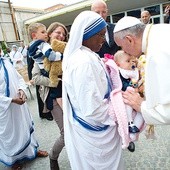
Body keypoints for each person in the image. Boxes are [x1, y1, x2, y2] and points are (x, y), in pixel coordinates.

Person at [62, 10, 124, 170]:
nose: (104, 40)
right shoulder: (83, 63)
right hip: (95, 131)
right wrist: (122, 113)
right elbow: (93, 109)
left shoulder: (88, 55)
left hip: (98, 128)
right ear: (85, 35)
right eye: (100, 35)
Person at [114, 16, 170, 125]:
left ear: (129, 40)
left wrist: (140, 105)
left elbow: (168, 112)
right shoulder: (160, 31)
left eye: (121, 47)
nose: (123, 51)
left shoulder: (158, 53)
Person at [0, 48, 48, 170]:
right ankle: (13, 160)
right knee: (10, 134)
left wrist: (21, 90)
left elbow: (19, 78)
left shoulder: (5, 61)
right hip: (4, 109)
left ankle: (32, 151)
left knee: (24, 127)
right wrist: (11, 100)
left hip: (19, 105)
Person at [31, 22, 68, 170]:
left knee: (76, 128)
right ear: (50, 33)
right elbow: (35, 78)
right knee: (65, 133)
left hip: (69, 96)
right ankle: (53, 157)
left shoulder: (66, 52)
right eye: (58, 33)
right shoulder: (41, 54)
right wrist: (54, 81)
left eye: (64, 34)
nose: (61, 36)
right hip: (53, 97)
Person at [114, 50, 145, 151]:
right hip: (126, 97)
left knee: (142, 113)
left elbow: (138, 81)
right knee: (127, 107)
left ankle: (133, 132)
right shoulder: (119, 72)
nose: (131, 63)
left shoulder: (134, 71)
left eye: (132, 61)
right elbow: (120, 84)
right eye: (128, 61)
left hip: (136, 97)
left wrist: (137, 85)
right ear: (118, 64)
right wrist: (130, 86)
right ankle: (129, 123)